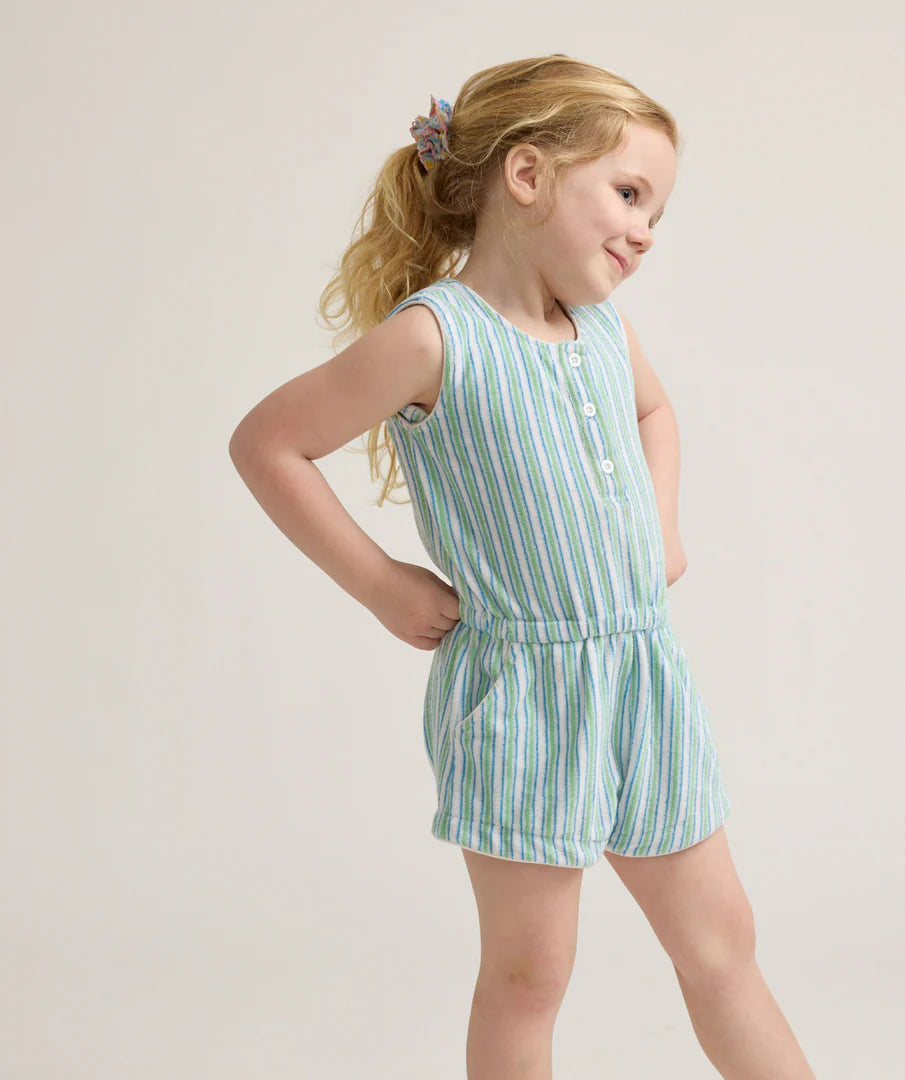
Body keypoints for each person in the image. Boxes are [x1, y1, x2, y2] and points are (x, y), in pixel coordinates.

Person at [229, 53, 816, 1080]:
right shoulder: (431, 338)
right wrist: (382, 585)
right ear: (529, 175)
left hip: (646, 679)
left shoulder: (600, 329)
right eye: (629, 194)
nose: (643, 230)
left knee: (723, 942)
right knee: (530, 976)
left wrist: (660, 523)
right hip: (524, 699)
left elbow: (655, 410)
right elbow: (268, 443)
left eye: (658, 213)